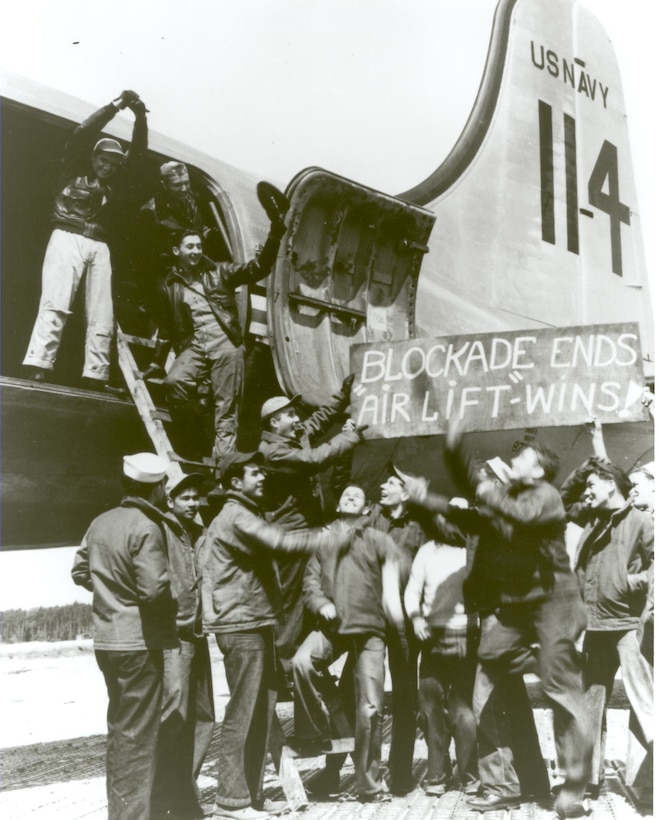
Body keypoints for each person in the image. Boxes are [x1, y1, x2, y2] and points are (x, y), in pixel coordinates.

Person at [406, 422, 593, 818]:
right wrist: (432, 492)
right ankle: (506, 784)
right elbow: (471, 519)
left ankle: (572, 789)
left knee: (562, 694)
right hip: (513, 613)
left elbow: (516, 514)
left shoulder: (544, 496)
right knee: (489, 674)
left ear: (537, 471)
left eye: (521, 457)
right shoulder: (503, 499)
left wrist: (488, 490)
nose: (513, 459)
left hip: (554, 607)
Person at [201, 450, 351, 820]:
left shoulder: (246, 512)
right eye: (255, 473)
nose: (262, 477)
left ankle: (250, 796)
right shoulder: (236, 516)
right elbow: (282, 542)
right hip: (242, 626)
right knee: (243, 713)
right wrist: (328, 536)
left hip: (257, 623)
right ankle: (230, 801)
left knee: (261, 712)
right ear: (235, 482)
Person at [146, 186, 288, 461]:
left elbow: (257, 268)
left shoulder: (219, 272)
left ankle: (224, 466)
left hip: (226, 346)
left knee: (227, 410)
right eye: (190, 246)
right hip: (197, 346)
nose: (196, 251)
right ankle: (198, 434)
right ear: (177, 250)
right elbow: (166, 327)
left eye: (199, 246)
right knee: (174, 381)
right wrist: (156, 360)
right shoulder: (169, 285)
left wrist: (275, 234)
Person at [71, 453, 177, 820]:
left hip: (107, 642)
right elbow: (154, 591)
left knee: (120, 732)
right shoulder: (147, 525)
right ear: (158, 487)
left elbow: (80, 571)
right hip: (139, 643)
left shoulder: (100, 522)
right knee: (138, 738)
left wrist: (109, 592)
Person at [24, 90, 150, 389]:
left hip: (100, 246)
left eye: (113, 163)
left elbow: (140, 154)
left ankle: (96, 373)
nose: (108, 166)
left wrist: (141, 117)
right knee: (55, 302)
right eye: (104, 160)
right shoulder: (71, 170)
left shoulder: (116, 184)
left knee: (102, 312)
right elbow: (83, 132)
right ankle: (39, 365)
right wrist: (116, 106)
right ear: (93, 157)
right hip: (68, 235)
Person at [290, 482, 405, 803]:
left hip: (369, 631)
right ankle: (331, 726)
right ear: (339, 507)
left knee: (370, 706)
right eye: (345, 495)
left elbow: (396, 571)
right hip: (335, 627)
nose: (350, 496)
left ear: (366, 510)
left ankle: (369, 785)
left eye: (357, 495)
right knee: (302, 663)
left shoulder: (377, 540)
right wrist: (319, 603)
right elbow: (310, 581)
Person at [560, 456, 654, 797]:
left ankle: (651, 784)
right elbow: (564, 498)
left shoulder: (642, 521)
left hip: (628, 625)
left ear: (611, 485)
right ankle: (588, 782)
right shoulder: (593, 522)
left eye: (592, 485)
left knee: (645, 702)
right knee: (589, 705)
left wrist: (631, 582)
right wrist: (584, 468)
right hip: (597, 625)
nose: (586, 492)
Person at [258, 384, 365, 667]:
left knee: (309, 599)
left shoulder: (293, 434)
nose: (297, 419)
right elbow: (314, 460)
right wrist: (350, 437)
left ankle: (304, 664)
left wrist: (342, 394)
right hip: (290, 539)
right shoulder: (271, 453)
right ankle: (288, 667)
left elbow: (317, 421)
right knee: (292, 606)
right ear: (274, 422)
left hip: (309, 533)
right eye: (291, 414)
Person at [151, 472, 215, 820]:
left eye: (196, 498)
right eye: (186, 497)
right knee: (173, 717)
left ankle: (184, 795)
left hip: (199, 636)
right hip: (174, 638)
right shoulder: (158, 531)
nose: (193, 503)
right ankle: (161, 801)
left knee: (205, 715)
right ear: (170, 500)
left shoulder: (199, 534)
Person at [367, 464, 431, 796]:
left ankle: (402, 772)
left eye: (391, 482)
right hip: (373, 620)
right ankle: (364, 771)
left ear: (405, 493)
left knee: (406, 694)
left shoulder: (420, 525)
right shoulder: (372, 518)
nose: (382, 486)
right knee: (367, 695)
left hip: (407, 621)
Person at [404, 523, 480, 797]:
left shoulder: (474, 551)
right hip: (432, 637)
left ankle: (470, 773)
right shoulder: (427, 551)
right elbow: (412, 591)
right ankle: (437, 773)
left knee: (463, 709)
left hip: (466, 635)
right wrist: (415, 618)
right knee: (430, 707)